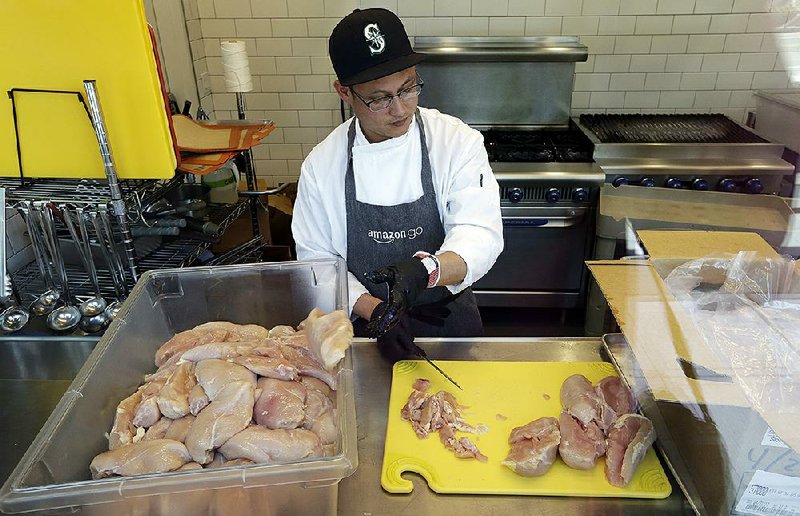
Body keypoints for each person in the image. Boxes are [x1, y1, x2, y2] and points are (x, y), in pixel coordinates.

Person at [291, 8, 503, 359]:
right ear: (344, 92)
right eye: (379, 98)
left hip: (448, 322)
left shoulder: (455, 142)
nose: (400, 109)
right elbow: (317, 263)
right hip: (363, 329)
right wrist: (375, 310)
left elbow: (480, 233)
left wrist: (428, 270)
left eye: (408, 89)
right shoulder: (322, 165)